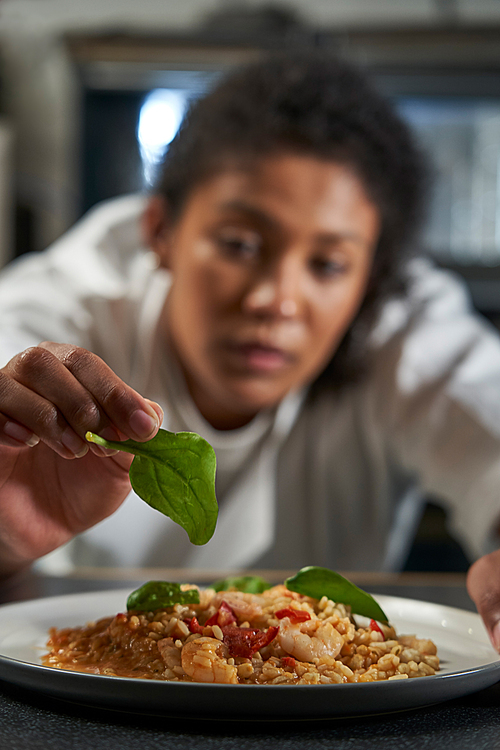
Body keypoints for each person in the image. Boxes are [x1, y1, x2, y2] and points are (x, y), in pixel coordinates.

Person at [0, 51, 500, 648]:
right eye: (239, 244)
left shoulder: (406, 327)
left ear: (370, 278)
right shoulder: (76, 298)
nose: (275, 299)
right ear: (161, 231)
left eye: (328, 264)